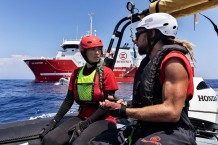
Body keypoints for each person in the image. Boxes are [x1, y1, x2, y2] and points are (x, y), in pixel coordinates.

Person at [88, 13, 197, 145]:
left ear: (152, 34)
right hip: (145, 127)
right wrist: (120, 104)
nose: (135, 40)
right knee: (98, 141)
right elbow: (147, 103)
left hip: (173, 131)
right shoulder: (147, 64)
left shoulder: (173, 63)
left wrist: (124, 111)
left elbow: (172, 112)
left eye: (138, 34)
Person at [40, 35, 119, 145]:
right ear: (84, 52)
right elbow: (68, 101)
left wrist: (87, 123)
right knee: (49, 140)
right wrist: (54, 121)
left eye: (99, 49)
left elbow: (109, 104)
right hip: (82, 117)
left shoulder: (107, 72)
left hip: (104, 119)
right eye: (93, 49)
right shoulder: (76, 73)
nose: (97, 52)